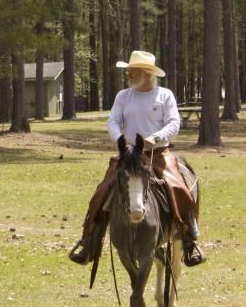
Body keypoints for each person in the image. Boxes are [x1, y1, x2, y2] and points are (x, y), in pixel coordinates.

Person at [69, 50, 204, 267]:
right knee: (102, 191)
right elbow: (112, 120)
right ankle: (90, 241)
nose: (129, 74)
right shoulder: (123, 96)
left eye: (133, 71)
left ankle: (189, 240)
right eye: (129, 71)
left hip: (158, 154)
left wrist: (156, 137)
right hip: (129, 155)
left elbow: (174, 123)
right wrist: (120, 139)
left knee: (179, 187)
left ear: (147, 73)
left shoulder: (164, 95)